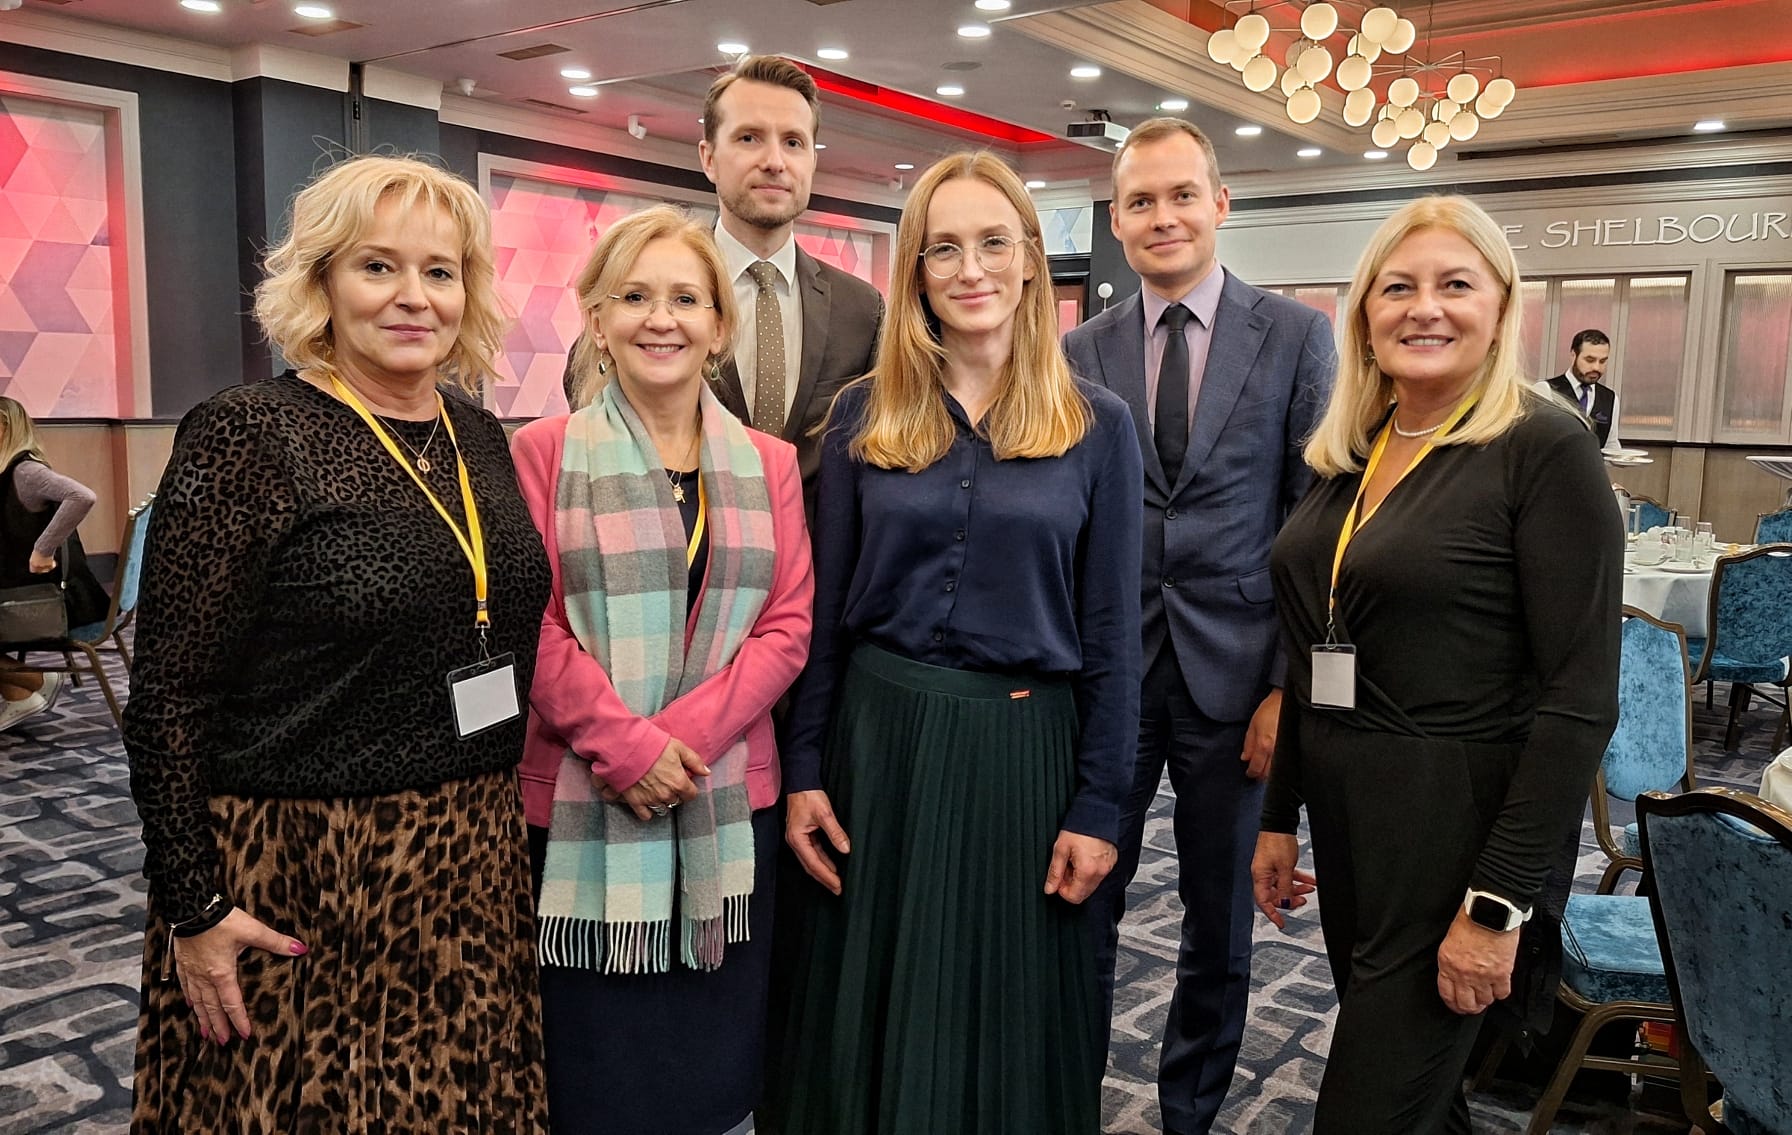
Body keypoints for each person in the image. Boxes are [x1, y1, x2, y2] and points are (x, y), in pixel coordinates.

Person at [124, 155, 551, 1133]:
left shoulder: (480, 436)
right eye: (377, 266)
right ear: (321, 281)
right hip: (299, 872)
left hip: (469, 860)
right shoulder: (247, 435)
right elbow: (168, 699)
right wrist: (193, 905)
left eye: (439, 271)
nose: (413, 296)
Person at [768, 152, 1143, 1135]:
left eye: (993, 243)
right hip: (876, 749)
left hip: (1022, 758)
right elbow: (823, 612)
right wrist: (803, 767)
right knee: (860, 1011)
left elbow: (1114, 637)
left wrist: (1100, 804)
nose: (970, 268)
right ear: (917, 272)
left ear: (1030, 260)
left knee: (1003, 1013)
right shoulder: (863, 414)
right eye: (944, 249)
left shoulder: (1099, 425)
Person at [1252, 195, 1622, 1134]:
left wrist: (1496, 906)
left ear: (1500, 307)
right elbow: (1311, 652)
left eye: (1456, 284)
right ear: (1364, 315)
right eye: (1398, 288)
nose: (1425, 308)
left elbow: (1580, 700)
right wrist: (1279, 814)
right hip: (1351, 823)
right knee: (1425, 1100)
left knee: (1370, 1109)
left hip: (1455, 831)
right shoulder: (1352, 450)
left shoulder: (1543, 448)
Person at [511, 204, 814, 1135]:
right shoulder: (542, 453)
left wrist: (671, 744)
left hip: (722, 802)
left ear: (719, 326)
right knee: (595, 1074)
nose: (661, 318)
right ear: (598, 320)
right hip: (581, 804)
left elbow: (787, 626)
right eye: (635, 296)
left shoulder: (771, 463)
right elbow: (532, 626)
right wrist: (625, 748)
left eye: (686, 298)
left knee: (711, 1071)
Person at [1061, 116, 1335, 1135]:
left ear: (1221, 202)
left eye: (1182, 194)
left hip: (1242, 675)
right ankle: (1065, 1093)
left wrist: (1289, 688)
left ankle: (1188, 1113)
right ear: (1117, 220)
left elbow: (1316, 522)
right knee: (1081, 896)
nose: (1163, 216)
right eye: (1141, 201)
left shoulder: (1295, 334)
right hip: (1111, 672)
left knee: (1218, 921)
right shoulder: (1079, 348)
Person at [698, 54, 884, 520]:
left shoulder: (860, 311)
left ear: (812, 161)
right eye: (749, 138)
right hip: (686, 555)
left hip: (818, 560)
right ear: (709, 158)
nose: (774, 162)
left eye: (794, 142)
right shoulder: (655, 292)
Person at [0, 395, 107, 729]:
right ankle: (22, 692)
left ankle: (32, 679)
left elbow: (83, 496)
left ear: (4, 426)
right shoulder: (13, 471)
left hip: (47, 604)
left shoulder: (26, 471)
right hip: (33, 594)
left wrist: (42, 549)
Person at [1537, 328, 1619, 448]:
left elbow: (1611, 445)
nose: (1596, 367)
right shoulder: (1545, 390)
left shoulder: (1610, 398)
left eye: (1602, 361)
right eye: (1590, 360)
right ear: (1573, 355)